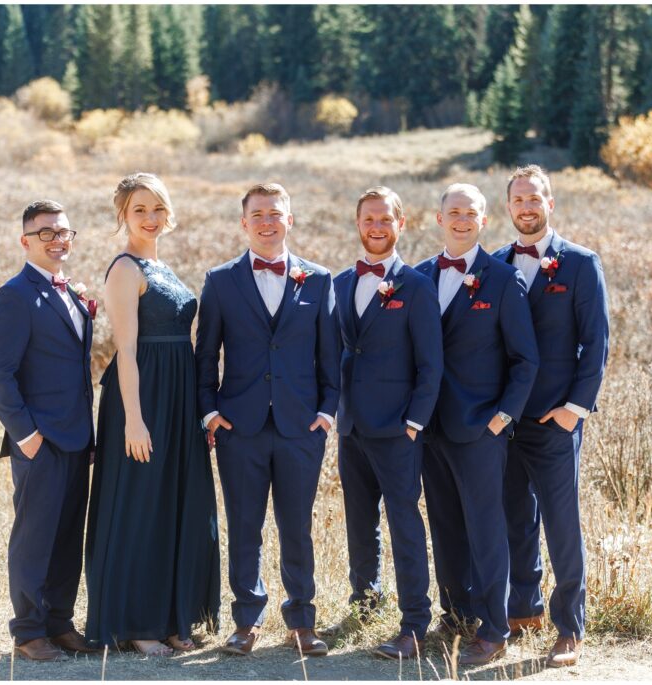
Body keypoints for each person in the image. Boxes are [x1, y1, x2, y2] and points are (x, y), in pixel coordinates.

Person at [196, 183, 340, 657]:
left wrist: (326, 412)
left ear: (289, 220)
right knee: (244, 524)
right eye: (257, 214)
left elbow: (330, 355)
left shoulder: (319, 280)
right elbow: (206, 355)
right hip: (240, 427)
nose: (266, 221)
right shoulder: (220, 280)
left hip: (302, 427)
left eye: (275, 213)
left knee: (296, 526)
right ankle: (246, 621)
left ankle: (301, 621)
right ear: (244, 223)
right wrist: (211, 412)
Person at [84, 173, 221, 657]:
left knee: (176, 504)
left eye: (158, 208)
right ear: (123, 215)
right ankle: (136, 624)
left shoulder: (161, 265)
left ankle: (171, 618)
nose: (150, 218)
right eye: (139, 209)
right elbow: (125, 351)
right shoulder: (125, 269)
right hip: (142, 402)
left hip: (178, 401)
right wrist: (134, 421)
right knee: (142, 506)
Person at [414, 183, 539, 666]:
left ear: (483, 221)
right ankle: (456, 614)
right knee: (444, 525)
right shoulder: (420, 276)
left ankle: (494, 626)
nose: (462, 219)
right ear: (438, 218)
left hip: (480, 429)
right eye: (453, 211)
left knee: (487, 528)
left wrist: (502, 418)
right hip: (428, 429)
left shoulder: (503, 279)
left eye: (471, 212)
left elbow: (525, 360)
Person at [490, 165, 608, 668]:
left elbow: (596, 342)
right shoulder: (494, 265)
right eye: (518, 200)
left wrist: (573, 411)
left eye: (534, 199)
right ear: (509, 207)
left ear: (550, 204)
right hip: (505, 423)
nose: (526, 207)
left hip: (556, 419)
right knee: (514, 519)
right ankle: (523, 611)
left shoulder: (580, 263)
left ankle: (569, 629)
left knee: (562, 525)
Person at [327, 187, 442, 659]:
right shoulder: (337, 284)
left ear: (401, 225)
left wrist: (414, 421)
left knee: (404, 523)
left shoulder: (416, 286)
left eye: (385, 220)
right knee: (359, 521)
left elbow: (431, 364)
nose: (376, 227)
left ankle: (415, 622)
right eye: (368, 219)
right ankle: (365, 603)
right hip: (351, 427)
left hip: (398, 429)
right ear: (358, 225)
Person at [0, 200, 99, 661]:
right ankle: (29, 630)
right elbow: (0, 374)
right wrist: (25, 435)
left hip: (76, 438)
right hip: (39, 441)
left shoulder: (71, 293)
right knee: (35, 537)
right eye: (46, 233)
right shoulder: (14, 294)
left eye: (64, 232)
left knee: (69, 535)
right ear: (25, 241)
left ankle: (59, 622)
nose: (57, 240)